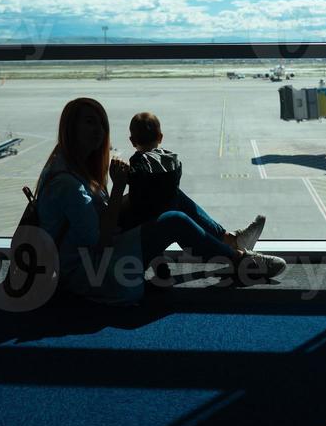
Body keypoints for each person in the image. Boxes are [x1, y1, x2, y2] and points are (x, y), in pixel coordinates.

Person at [35, 98, 286, 305]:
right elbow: (100, 239)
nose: (99, 129)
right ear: (70, 128)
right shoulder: (68, 185)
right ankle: (240, 261)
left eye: (101, 123)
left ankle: (229, 241)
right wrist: (120, 186)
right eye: (90, 122)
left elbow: (98, 219)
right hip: (91, 272)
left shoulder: (72, 169)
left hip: (98, 257)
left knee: (169, 196)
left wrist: (135, 196)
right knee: (173, 220)